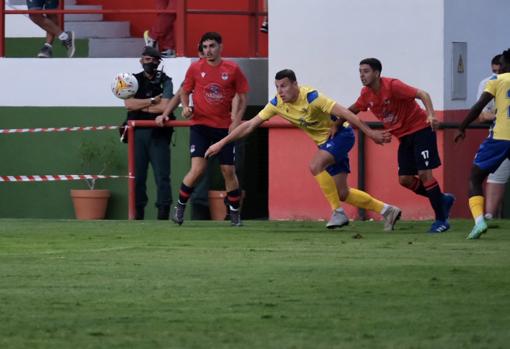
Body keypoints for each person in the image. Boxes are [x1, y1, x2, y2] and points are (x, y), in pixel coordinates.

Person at [205, 69, 403, 231]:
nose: (280, 91)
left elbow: (345, 113)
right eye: (277, 87)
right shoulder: (277, 104)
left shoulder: (312, 97)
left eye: (283, 86)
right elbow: (249, 125)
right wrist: (221, 143)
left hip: (341, 135)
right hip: (325, 144)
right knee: (342, 193)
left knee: (315, 165)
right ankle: (387, 210)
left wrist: (370, 133)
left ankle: (338, 213)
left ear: (295, 84)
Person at [348, 58, 455, 233]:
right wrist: (336, 122)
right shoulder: (366, 94)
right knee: (404, 179)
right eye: (360, 71)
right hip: (404, 137)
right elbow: (352, 110)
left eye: (366, 71)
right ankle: (442, 200)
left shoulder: (392, 85)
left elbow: (423, 94)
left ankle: (441, 220)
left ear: (377, 73)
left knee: (425, 174)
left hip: (421, 130)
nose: (362, 75)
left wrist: (431, 115)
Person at [172, 32, 249, 226]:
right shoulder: (195, 68)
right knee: (197, 169)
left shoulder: (232, 69)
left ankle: (234, 213)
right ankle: (180, 207)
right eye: (205, 47)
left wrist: (236, 120)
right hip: (200, 126)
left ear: (220, 47)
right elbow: (184, 90)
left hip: (224, 128)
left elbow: (243, 96)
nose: (208, 50)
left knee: (228, 171)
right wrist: (186, 107)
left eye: (212, 46)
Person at [454, 49, 510, 239]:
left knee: (475, 178)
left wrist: (462, 127)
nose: (499, 68)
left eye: (502, 64)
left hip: (500, 138)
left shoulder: (497, 80)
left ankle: (479, 222)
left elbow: (479, 106)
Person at [124, 46, 179, 220]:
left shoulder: (165, 80)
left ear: (158, 62)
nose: (148, 63)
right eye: (145, 59)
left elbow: (165, 106)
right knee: (137, 176)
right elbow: (129, 104)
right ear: (141, 61)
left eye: (152, 60)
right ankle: (137, 213)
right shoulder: (133, 80)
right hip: (137, 134)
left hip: (159, 134)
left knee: (162, 176)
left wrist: (144, 106)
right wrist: (151, 102)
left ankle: (163, 213)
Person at [476, 54, 509, 220]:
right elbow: (481, 115)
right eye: (494, 71)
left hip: (501, 136)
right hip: (499, 135)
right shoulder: (488, 82)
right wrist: (498, 114)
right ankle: (488, 216)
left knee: (476, 177)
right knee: (496, 176)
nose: (497, 73)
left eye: (500, 69)